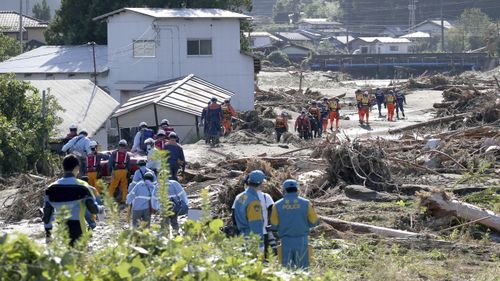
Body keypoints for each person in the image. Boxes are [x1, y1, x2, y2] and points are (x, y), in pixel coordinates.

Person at [42, 155, 103, 246]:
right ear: (77, 168)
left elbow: (47, 214)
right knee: (80, 257)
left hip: (62, 230)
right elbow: (93, 209)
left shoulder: (51, 188)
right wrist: (101, 209)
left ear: (63, 168)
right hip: (79, 229)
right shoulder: (82, 186)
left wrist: (48, 235)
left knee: (66, 256)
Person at [270, 179, 318, 270]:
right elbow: (314, 222)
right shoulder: (306, 203)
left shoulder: (276, 205)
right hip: (302, 241)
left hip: (285, 241)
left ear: (284, 190)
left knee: (286, 272)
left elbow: (274, 225)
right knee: (303, 270)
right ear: (297, 189)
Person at [233, 170, 265, 247]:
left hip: (241, 237)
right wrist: (260, 244)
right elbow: (255, 224)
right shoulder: (254, 201)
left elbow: (235, 214)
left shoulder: (241, 197)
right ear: (260, 184)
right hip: (252, 240)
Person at [108, 139, 131, 204]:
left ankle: (109, 200)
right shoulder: (127, 154)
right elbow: (129, 165)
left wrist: (110, 171)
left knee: (113, 186)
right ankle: (124, 200)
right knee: (124, 186)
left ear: (119, 145)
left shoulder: (114, 153)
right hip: (124, 171)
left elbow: (110, 163)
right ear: (125, 146)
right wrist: (128, 172)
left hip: (116, 171)